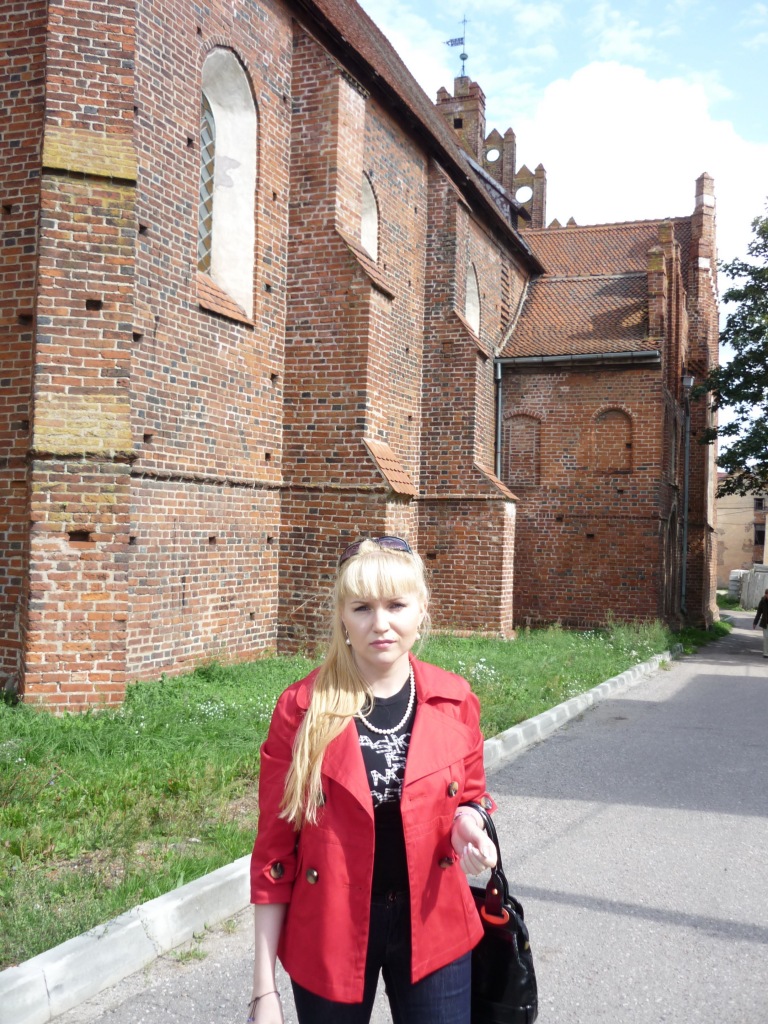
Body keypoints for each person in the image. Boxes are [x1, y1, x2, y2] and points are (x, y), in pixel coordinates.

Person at [248, 536, 498, 1024]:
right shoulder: (301, 710)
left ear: (421, 610)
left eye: (396, 605)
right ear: (342, 616)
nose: (380, 623)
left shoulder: (455, 700)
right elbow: (274, 853)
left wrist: (469, 823)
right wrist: (264, 991)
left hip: (435, 920)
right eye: (362, 607)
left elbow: (471, 795)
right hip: (330, 927)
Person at [753, 587, 768, 658]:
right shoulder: (762, 601)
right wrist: (755, 622)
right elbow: (759, 613)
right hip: (765, 622)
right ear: (766, 594)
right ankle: (766, 653)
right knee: (766, 637)